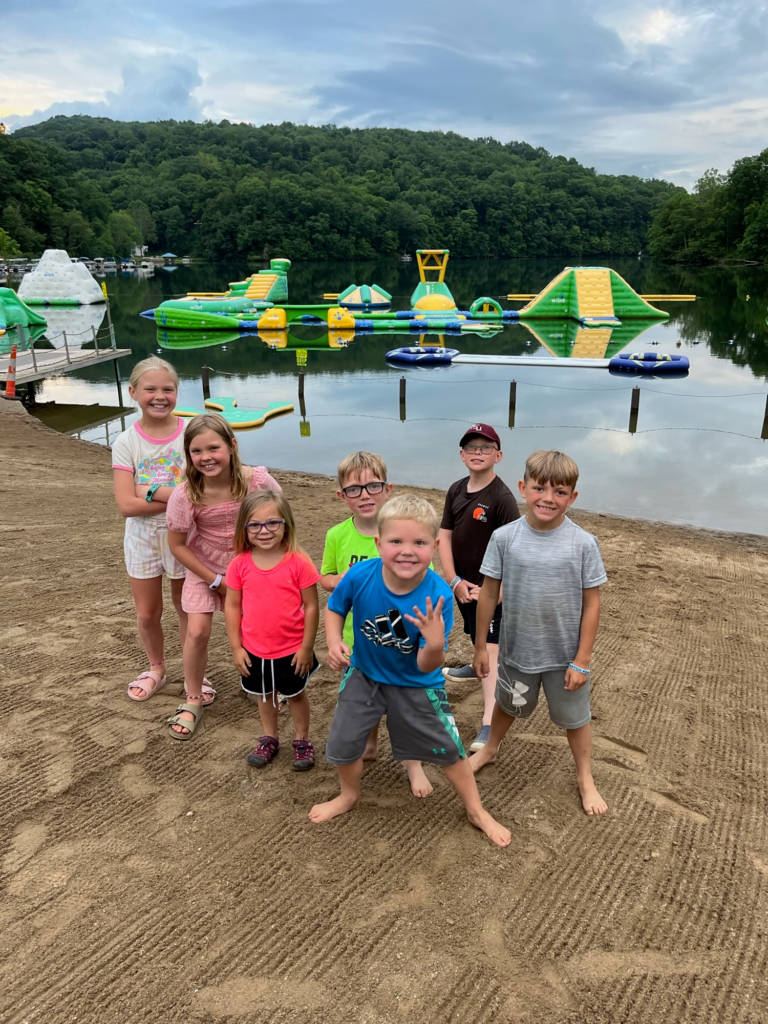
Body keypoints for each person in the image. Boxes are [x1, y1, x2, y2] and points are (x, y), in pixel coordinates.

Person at [310, 494, 511, 847]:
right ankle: (348, 795)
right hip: (363, 676)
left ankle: (476, 810)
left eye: (418, 542)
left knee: (451, 751)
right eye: (396, 541)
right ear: (378, 543)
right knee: (343, 744)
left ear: (434, 546)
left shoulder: (437, 595)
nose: (406, 551)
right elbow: (335, 607)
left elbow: (425, 666)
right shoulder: (360, 575)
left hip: (417, 685)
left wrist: (434, 644)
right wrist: (333, 642)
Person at [470, 450, 608, 816]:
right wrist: (481, 645)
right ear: (523, 488)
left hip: (565, 656)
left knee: (575, 719)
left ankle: (584, 777)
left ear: (572, 497)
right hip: (518, 650)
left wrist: (582, 660)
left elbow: (592, 604)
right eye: (539, 488)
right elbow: (488, 592)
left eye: (560, 492)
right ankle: (490, 748)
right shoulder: (504, 538)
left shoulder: (583, 543)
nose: (548, 498)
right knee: (507, 704)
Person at [319, 452, 433, 799]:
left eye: (372, 486)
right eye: (355, 489)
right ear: (342, 496)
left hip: (401, 639)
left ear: (387, 489)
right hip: (357, 639)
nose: (365, 495)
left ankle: (413, 762)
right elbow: (324, 578)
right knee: (361, 700)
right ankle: (368, 744)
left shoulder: (401, 531)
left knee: (404, 705)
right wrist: (349, 580)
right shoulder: (337, 535)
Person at [165, 413, 280, 740]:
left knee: (254, 630)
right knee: (198, 631)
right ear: (188, 456)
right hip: (204, 568)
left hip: (250, 567)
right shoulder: (186, 494)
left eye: (213, 448)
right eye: (196, 452)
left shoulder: (257, 482)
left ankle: (255, 684)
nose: (206, 458)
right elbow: (177, 545)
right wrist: (217, 579)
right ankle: (192, 698)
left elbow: (280, 519)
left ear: (232, 445)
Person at [112, 356, 203, 703]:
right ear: (134, 392)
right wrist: (181, 496)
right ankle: (157, 668)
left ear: (178, 392)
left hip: (186, 535)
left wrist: (148, 490)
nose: (159, 396)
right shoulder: (126, 442)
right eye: (150, 389)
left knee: (187, 608)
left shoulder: (191, 432)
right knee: (148, 612)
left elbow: (203, 492)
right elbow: (125, 506)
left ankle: (195, 674)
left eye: (168, 389)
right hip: (142, 537)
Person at [439, 423, 520, 751]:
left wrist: (499, 589)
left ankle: (488, 722)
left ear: (498, 456)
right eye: (471, 448)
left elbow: (516, 547)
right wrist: (453, 579)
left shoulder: (502, 497)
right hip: (463, 586)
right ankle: (475, 665)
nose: (477, 453)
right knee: (477, 635)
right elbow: (444, 535)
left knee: (490, 647)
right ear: (461, 455)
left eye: (485, 448)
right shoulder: (456, 489)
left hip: (493, 590)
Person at [225, 490, 320, 770]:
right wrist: (236, 647)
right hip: (255, 649)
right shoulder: (239, 564)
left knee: (296, 694)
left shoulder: (299, 562)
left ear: (285, 524)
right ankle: (270, 738)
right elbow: (232, 607)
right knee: (264, 695)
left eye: (272, 523)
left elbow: (312, 607)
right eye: (254, 524)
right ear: (244, 527)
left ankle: (302, 740)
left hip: (292, 650)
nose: (263, 531)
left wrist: (306, 648)